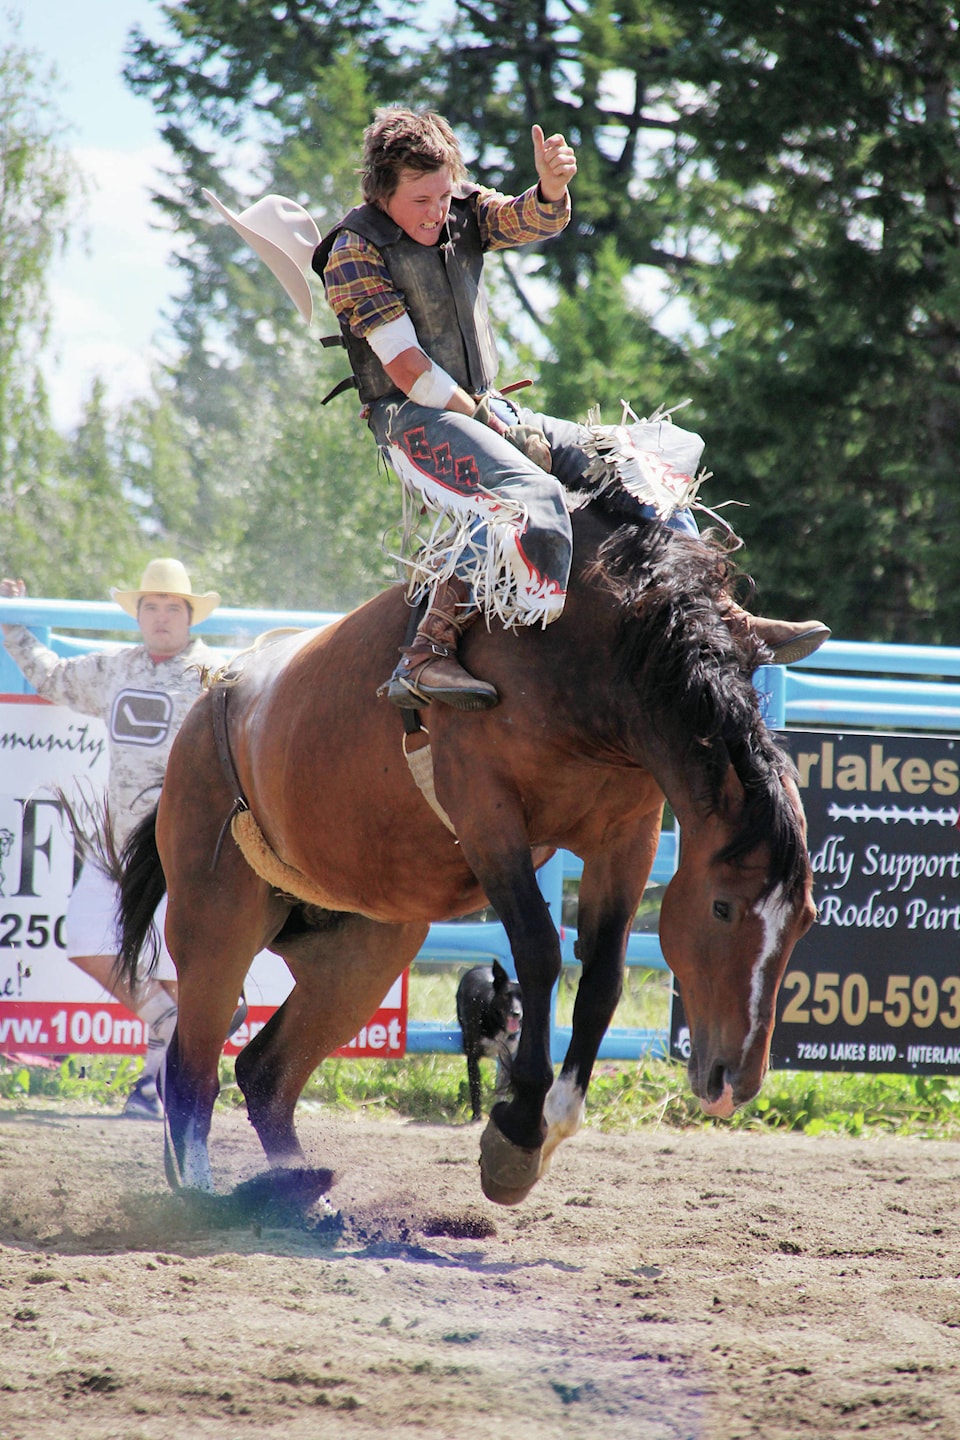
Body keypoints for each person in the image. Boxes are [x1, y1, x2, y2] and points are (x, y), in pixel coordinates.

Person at [207, 108, 829, 709]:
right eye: (420, 202)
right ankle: (426, 651)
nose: (437, 213)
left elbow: (524, 219)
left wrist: (551, 188)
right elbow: (408, 370)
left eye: (443, 197)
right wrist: (489, 421)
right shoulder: (353, 253)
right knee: (524, 495)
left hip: (486, 407)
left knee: (636, 462)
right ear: (379, 194)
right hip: (414, 419)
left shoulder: (460, 207)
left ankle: (724, 615)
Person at [0, 558, 226, 1119]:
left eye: (172, 607)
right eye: (151, 607)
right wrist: (12, 623)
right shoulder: (116, 669)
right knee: (86, 939)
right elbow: (52, 677)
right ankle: (166, 1031)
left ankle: (155, 1090)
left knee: (176, 969)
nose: (161, 618)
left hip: (184, 845)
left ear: (190, 615)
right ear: (139, 616)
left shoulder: (216, 676)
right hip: (120, 842)